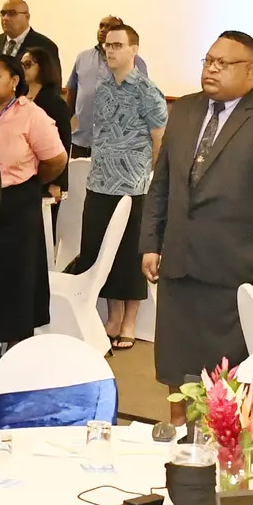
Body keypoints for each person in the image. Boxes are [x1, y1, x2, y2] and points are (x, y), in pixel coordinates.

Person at [143, 31, 253, 424]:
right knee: (178, 371)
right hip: (181, 268)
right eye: (208, 61)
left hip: (240, 276)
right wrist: (150, 241)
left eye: (223, 63)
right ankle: (182, 444)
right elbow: (162, 183)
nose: (211, 69)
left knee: (235, 388)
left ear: (251, 70)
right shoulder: (183, 110)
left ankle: (231, 454)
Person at [69, 23, 164, 351]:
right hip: (99, 183)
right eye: (107, 45)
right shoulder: (103, 87)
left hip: (133, 186)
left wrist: (150, 177)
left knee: (129, 255)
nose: (110, 51)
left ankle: (129, 322)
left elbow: (158, 139)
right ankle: (111, 317)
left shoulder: (147, 90)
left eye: (118, 45)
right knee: (98, 250)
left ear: (133, 50)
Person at [0, 53, 68, 347]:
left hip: (17, 200)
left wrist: (32, 180)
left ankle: (16, 341)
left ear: (15, 81)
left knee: (15, 272)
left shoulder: (31, 114)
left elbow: (56, 159)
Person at [66, 15, 145, 157]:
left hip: (113, 143)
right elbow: (73, 89)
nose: (103, 30)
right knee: (78, 177)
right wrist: (66, 121)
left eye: (109, 27)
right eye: (101, 26)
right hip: (81, 139)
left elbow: (141, 96)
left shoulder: (134, 61)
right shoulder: (83, 57)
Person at [19, 46, 70, 197]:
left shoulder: (54, 102)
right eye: (20, 65)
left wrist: (57, 182)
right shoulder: (18, 99)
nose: (23, 69)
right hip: (24, 175)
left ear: (43, 67)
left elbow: (64, 141)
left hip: (48, 174)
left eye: (28, 64)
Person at [0, 0, 58, 69]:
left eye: (12, 13)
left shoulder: (45, 46)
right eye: (3, 14)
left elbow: (53, 82)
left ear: (27, 17)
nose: (5, 18)